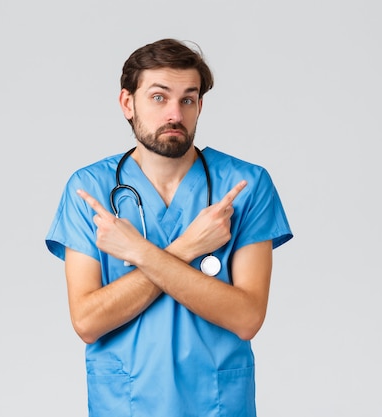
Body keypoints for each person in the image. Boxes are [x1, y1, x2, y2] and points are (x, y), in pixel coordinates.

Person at [45, 38, 293, 417]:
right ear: (128, 103)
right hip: (125, 404)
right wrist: (187, 248)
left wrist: (140, 253)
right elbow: (88, 322)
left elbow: (246, 319)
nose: (175, 114)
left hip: (217, 404)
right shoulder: (90, 189)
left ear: (200, 106)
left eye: (188, 99)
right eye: (159, 98)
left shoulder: (245, 185)